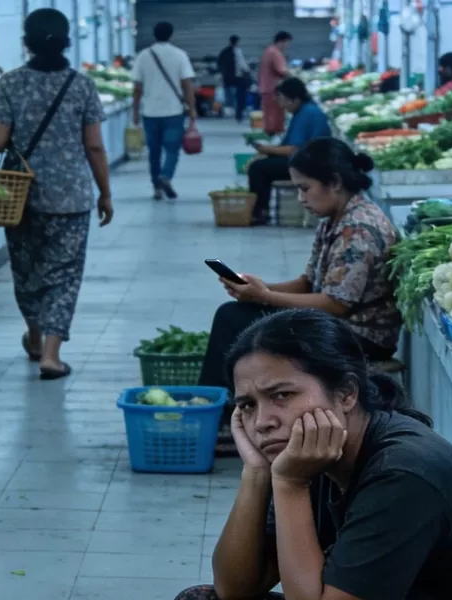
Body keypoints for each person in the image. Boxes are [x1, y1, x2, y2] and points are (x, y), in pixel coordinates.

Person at [176, 309, 452, 600]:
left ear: (347, 394)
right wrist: (256, 474)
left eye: (282, 395)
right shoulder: (312, 452)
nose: (262, 422)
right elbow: (234, 587)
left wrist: (288, 485)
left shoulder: (402, 472)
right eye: (248, 405)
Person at [201, 137, 402, 453]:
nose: (301, 197)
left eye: (305, 188)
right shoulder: (334, 219)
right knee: (235, 313)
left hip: (363, 334)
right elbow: (308, 283)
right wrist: (257, 288)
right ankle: (223, 414)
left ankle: (225, 419)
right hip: (335, 319)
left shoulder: (359, 228)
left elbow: (335, 303)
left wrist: (265, 297)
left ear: (333, 183)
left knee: (235, 318)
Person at [0, 8, 114, 380]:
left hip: (19, 196)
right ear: (66, 40)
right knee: (64, 274)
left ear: (26, 42)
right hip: (70, 198)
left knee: (26, 271)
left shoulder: (10, 83)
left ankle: (36, 336)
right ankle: (51, 356)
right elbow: (94, 147)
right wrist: (105, 193)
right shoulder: (81, 85)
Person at [246, 78, 331, 225]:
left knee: (258, 168)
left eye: (283, 99)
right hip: (304, 160)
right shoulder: (304, 111)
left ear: (294, 98)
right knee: (262, 165)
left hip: (309, 165)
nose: (281, 104)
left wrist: (266, 149)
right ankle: (260, 209)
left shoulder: (307, 113)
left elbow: (294, 149)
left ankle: (260, 212)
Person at [132, 21, 197, 201]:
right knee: (172, 149)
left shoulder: (143, 56)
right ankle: (165, 176)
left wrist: (135, 112)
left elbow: (137, 87)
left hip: (150, 113)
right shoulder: (180, 55)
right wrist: (192, 109)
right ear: (172, 35)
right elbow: (187, 85)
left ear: (154, 34)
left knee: (154, 152)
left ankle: (156, 189)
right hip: (173, 112)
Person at [257, 31, 292, 135]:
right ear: (282, 41)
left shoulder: (268, 50)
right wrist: (294, 77)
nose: (287, 46)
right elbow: (282, 70)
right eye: (287, 43)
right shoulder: (275, 53)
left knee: (269, 114)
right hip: (273, 89)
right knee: (275, 115)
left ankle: (270, 137)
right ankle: (274, 140)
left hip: (266, 88)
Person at [217, 35, 252, 122]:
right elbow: (242, 64)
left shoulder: (224, 51)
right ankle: (239, 113)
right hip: (237, 78)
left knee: (228, 95)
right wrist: (248, 71)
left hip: (227, 78)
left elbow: (219, 63)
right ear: (236, 42)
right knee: (241, 95)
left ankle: (227, 111)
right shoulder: (237, 51)